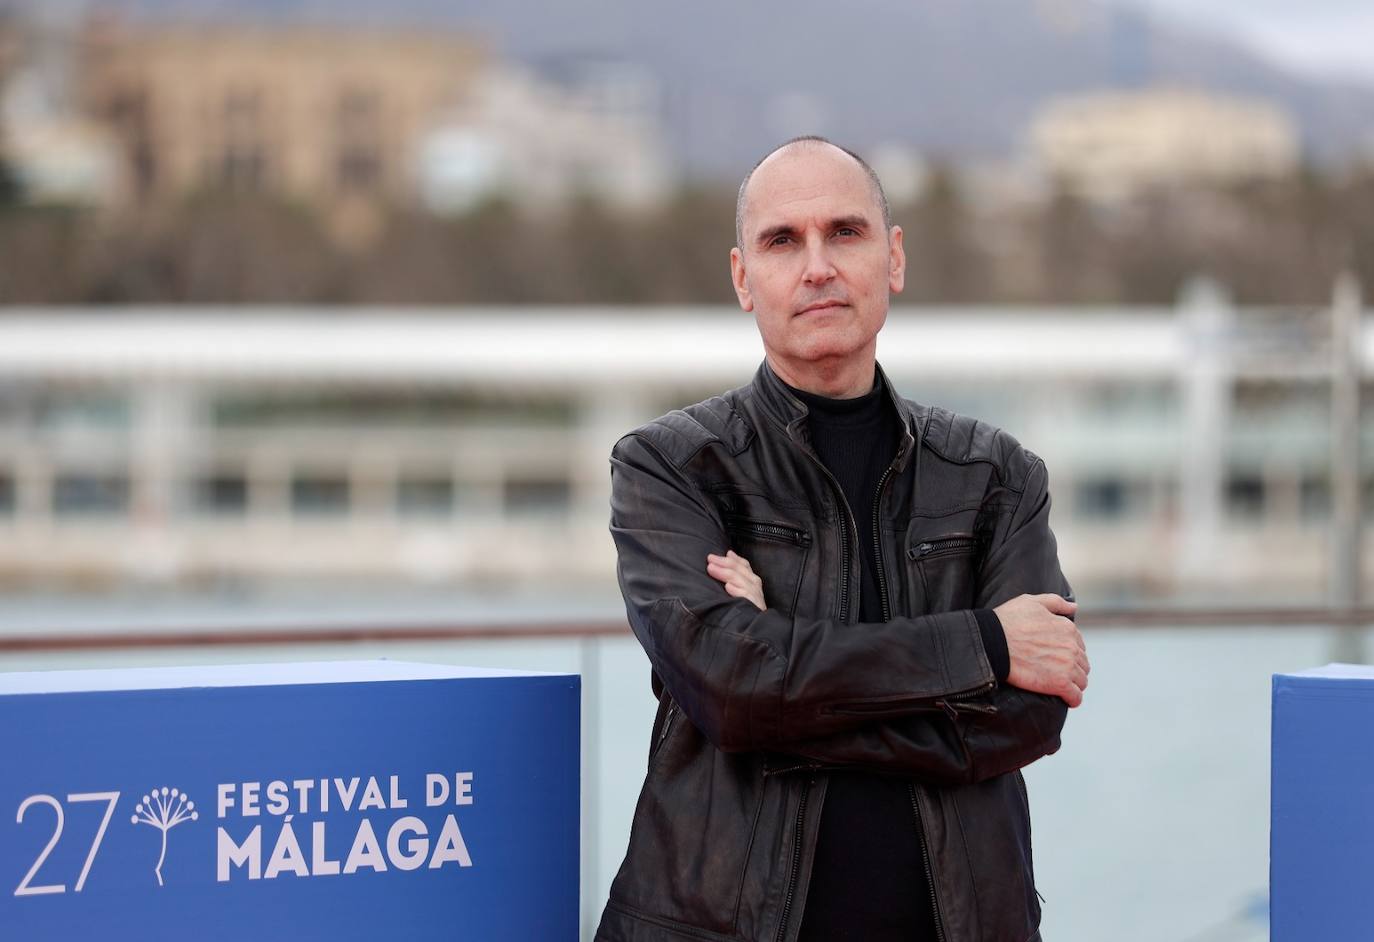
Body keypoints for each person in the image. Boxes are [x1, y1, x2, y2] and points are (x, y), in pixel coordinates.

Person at [594, 136, 1089, 942]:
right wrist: (984, 643)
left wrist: (779, 674)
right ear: (743, 279)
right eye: (782, 241)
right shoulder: (670, 466)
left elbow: (1029, 718)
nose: (817, 265)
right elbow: (728, 690)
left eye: (845, 232)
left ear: (893, 259)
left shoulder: (996, 474)